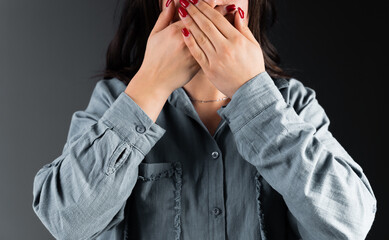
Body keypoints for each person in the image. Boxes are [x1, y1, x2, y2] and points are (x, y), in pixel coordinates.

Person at [32, 0, 377, 239]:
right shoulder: (116, 100)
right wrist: (149, 87)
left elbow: (349, 224)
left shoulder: (292, 103)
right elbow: (66, 221)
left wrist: (253, 96)